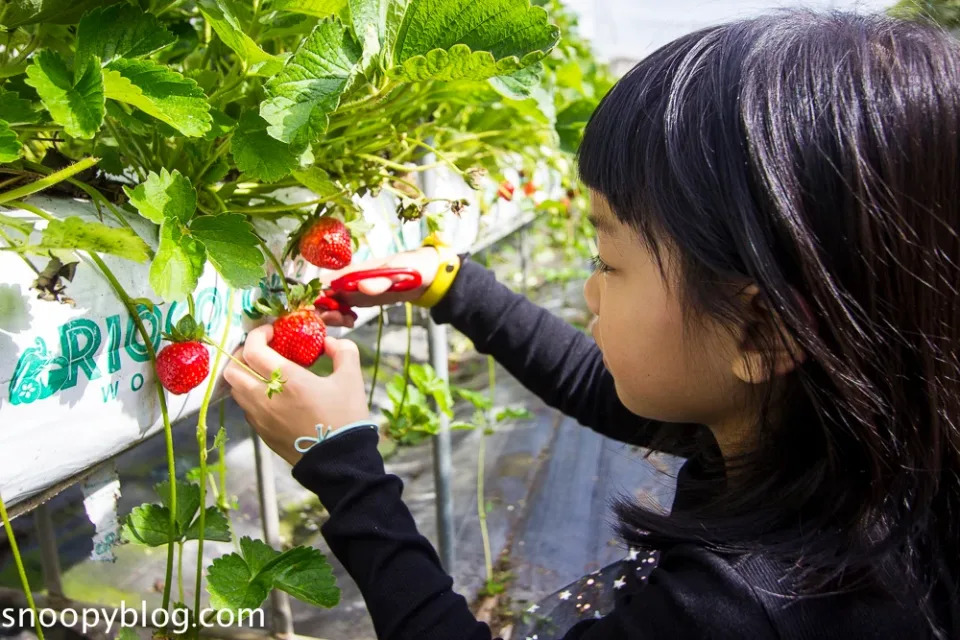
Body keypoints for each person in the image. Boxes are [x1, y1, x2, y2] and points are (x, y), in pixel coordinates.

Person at [222, 10, 960, 640]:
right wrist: (451, 284)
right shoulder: (853, 449)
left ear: (761, 331)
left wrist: (342, 463)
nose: (590, 289)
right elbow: (601, 389)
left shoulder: (741, 609)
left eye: (608, 259)